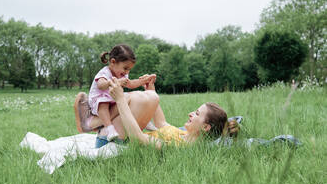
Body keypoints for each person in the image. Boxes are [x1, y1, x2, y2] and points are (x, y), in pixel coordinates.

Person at [75, 77, 239, 149]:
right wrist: (151, 89)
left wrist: (120, 100)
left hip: (113, 144)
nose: (190, 113)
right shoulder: (181, 134)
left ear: (205, 127)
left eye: (196, 114)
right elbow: (160, 123)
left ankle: (93, 122)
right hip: (119, 138)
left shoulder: (178, 147)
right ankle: (94, 123)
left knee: (136, 98)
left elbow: (138, 137)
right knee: (150, 97)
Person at [84, 44, 156, 141]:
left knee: (130, 98)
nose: (127, 72)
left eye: (129, 69)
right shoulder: (105, 72)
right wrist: (112, 82)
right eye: (125, 68)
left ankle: (144, 120)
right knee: (103, 103)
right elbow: (100, 85)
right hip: (98, 99)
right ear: (113, 62)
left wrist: (144, 80)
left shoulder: (122, 74)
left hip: (113, 98)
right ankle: (109, 129)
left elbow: (131, 84)